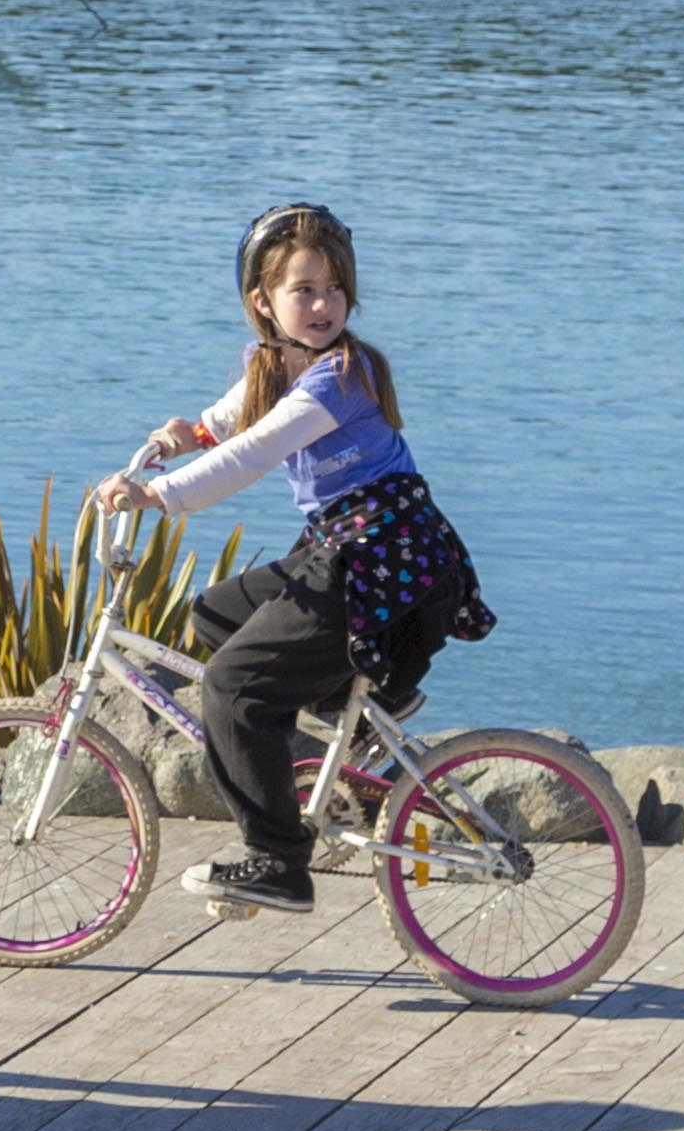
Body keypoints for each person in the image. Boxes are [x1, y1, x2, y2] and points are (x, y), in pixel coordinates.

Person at [92, 202, 488, 917]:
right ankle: (351, 710)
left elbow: (251, 453)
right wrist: (182, 436)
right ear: (263, 303)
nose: (322, 304)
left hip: (379, 556)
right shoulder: (276, 362)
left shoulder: (342, 375)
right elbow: (228, 422)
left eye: (334, 288)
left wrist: (156, 496)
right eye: (303, 290)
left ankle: (276, 861)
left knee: (231, 692)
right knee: (214, 614)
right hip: (349, 545)